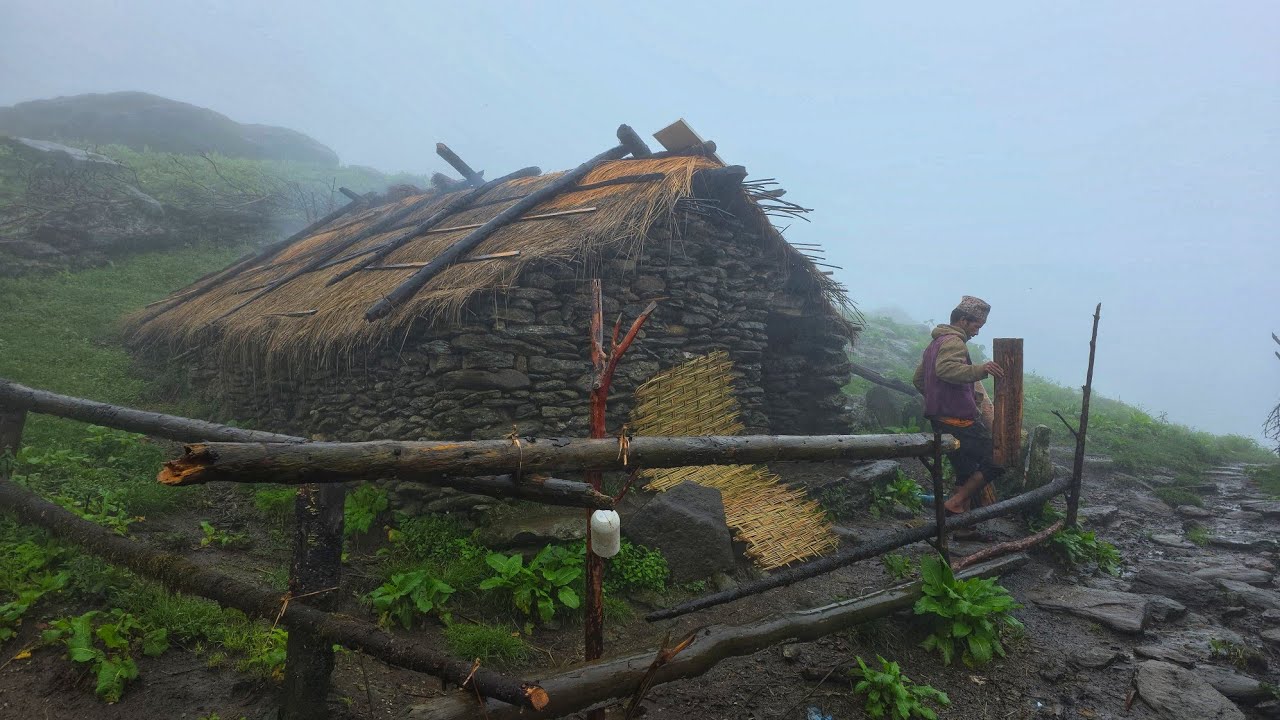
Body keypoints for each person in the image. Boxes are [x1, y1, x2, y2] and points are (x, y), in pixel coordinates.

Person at [912, 296, 1005, 514]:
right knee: (997, 460)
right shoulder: (954, 342)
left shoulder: (935, 343)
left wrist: (939, 398)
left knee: (965, 471)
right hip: (958, 422)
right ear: (963, 320)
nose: (977, 332)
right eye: (976, 326)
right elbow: (946, 370)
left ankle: (963, 529)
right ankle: (955, 503)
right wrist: (982, 369)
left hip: (940, 420)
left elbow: (918, 379)